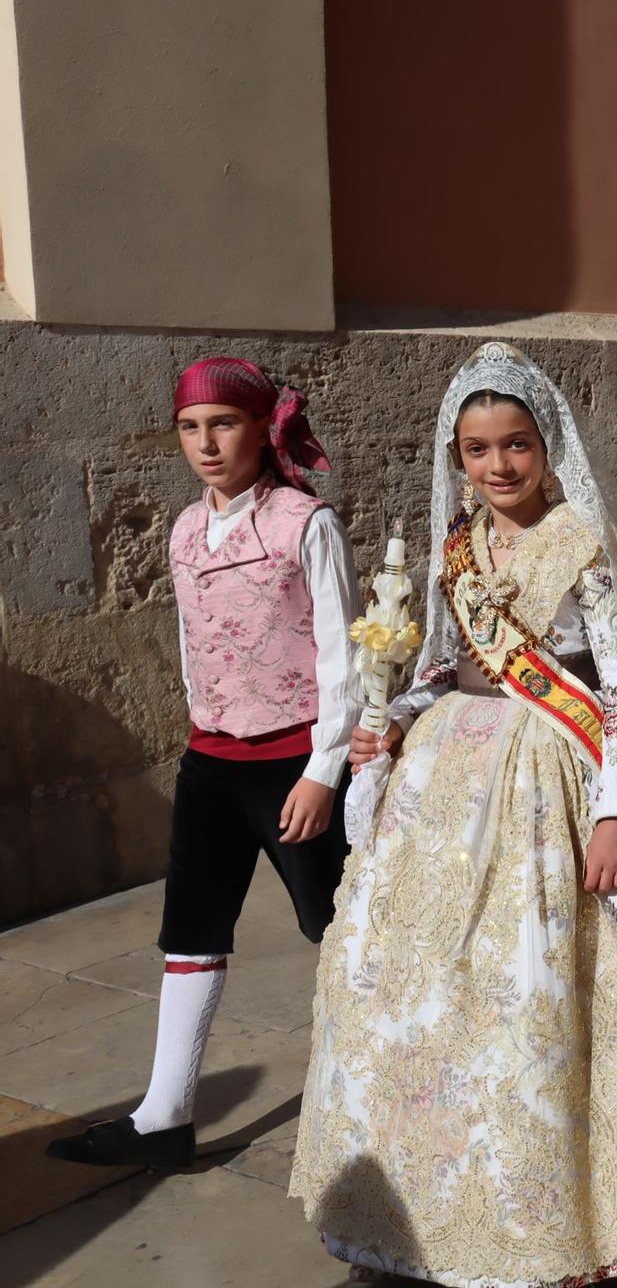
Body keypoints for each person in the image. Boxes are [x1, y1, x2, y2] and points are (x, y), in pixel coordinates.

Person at [290, 343, 617, 1286]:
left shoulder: (582, 540)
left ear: (548, 445)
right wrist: (395, 723)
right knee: (421, 977)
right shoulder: (455, 545)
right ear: (456, 457)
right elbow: (439, 667)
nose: (497, 467)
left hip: (564, 768)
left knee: (578, 979)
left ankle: (604, 1200)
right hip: (457, 772)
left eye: (516, 446)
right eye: (477, 449)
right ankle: (443, 1191)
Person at [45, 360, 357, 1172]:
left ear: (263, 428)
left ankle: (377, 1096)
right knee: (189, 930)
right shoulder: (185, 529)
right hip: (212, 758)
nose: (207, 443)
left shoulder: (303, 522)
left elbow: (342, 654)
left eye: (224, 423)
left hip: (296, 759)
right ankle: (166, 1113)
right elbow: (192, 639)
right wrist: (203, 714)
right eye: (191, 426)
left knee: (340, 926)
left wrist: (324, 769)